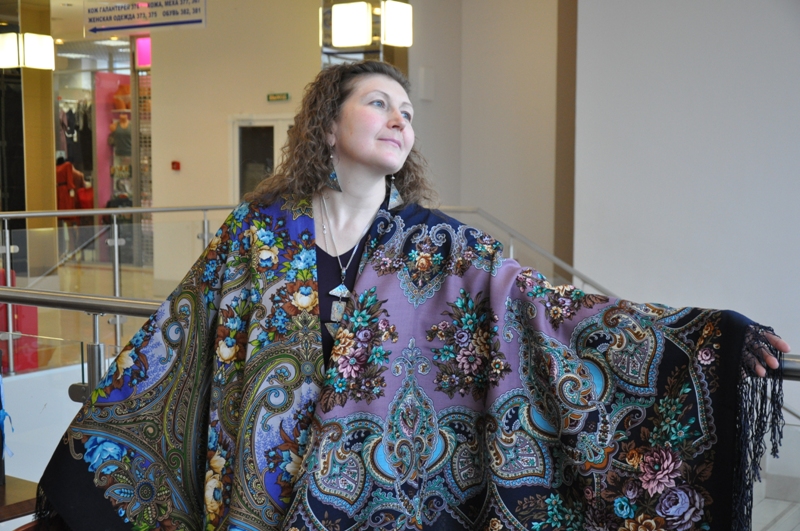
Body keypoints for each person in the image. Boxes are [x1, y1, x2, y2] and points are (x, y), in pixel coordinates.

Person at [36, 61, 789, 531]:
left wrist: (700, 335)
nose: (401, 120)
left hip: (387, 501)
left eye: (408, 112)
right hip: (259, 493)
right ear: (327, 125)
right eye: (379, 104)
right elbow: (178, 339)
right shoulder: (258, 234)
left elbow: (547, 310)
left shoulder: (442, 245)